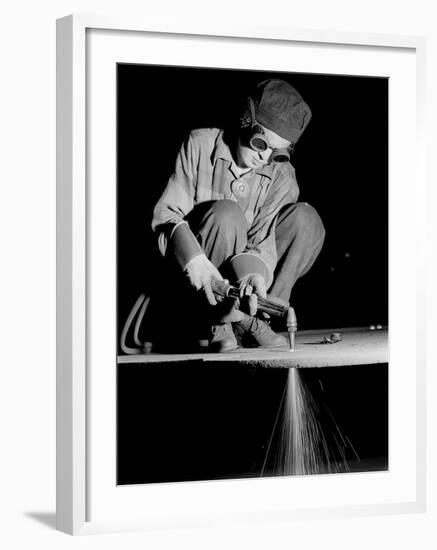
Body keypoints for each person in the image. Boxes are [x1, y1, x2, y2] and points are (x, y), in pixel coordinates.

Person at [151, 78, 325, 352]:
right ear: (246, 120)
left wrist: (252, 275)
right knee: (227, 213)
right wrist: (195, 262)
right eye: (261, 143)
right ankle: (217, 318)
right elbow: (166, 217)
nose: (265, 158)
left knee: (307, 219)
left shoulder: (283, 177)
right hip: (194, 283)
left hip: (245, 284)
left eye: (277, 153)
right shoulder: (199, 145)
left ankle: (252, 316)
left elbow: (262, 241)